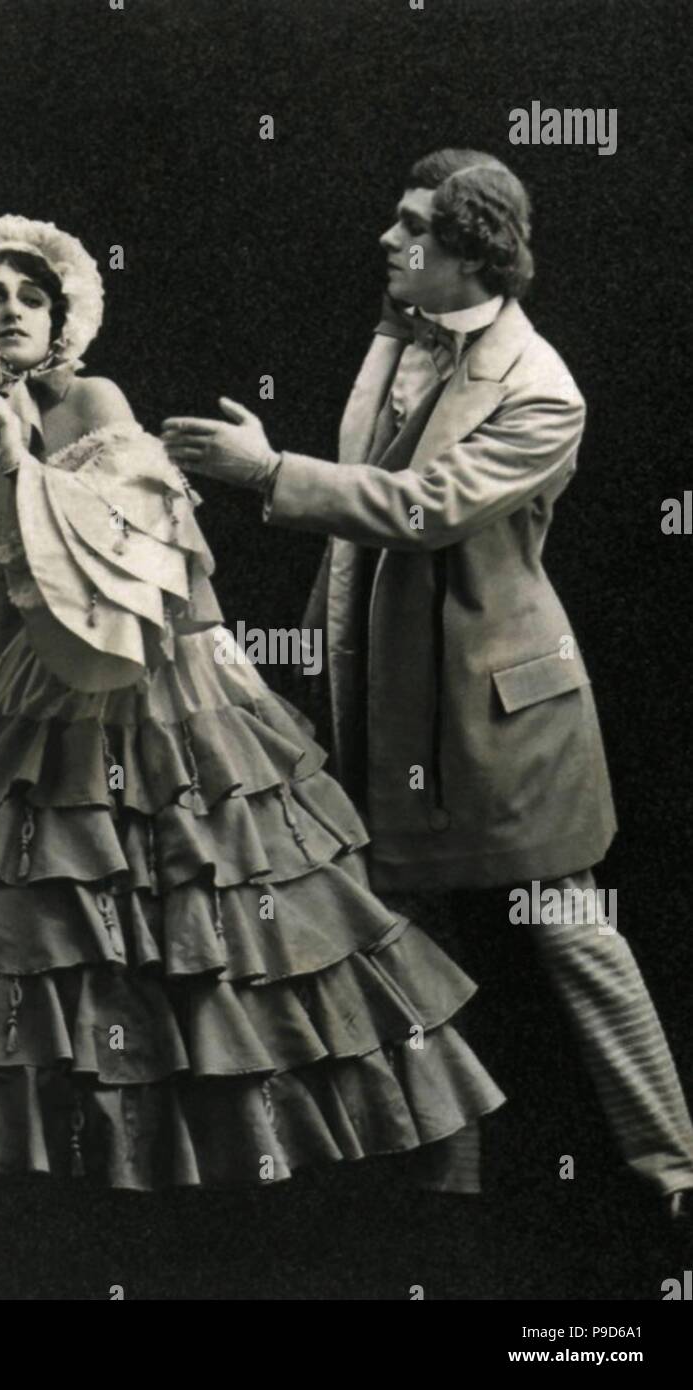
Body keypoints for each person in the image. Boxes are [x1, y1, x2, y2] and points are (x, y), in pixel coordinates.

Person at [0, 209, 506, 1192]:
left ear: (62, 319)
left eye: (31, 295)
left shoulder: (94, 398)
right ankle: (109, 1172)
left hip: (153, 688)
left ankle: (424, 1145)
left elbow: (124, 561)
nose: (13, 311)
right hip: (43, 707)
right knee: (59, 928)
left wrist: (22, 461)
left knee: (236, 914)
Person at [161, 148, 693, 1219]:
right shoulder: (397, 337)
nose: (387, 240)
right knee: (401, 932)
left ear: (474, 251)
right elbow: (361, 526)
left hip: (497, 714)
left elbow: (421, 508)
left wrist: (268, 472)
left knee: (569, 929)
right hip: (382, 698)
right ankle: (440, 1182)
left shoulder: (541, 391)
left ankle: (671, 1171)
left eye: (413, 228)